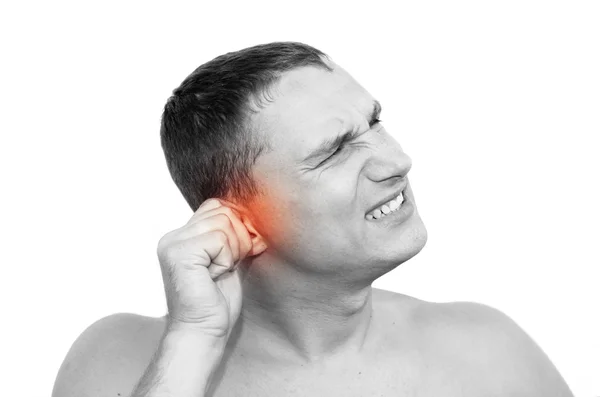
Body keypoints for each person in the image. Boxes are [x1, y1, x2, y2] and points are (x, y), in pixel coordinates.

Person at [51, 42, 574, 397]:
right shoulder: (116, 361)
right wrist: (193, 341)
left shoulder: (488, 354)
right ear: (239, 220)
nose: (397, 162)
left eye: (374, 123)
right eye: (335, 150)